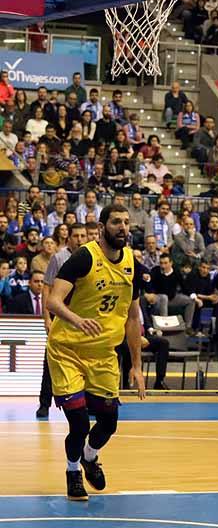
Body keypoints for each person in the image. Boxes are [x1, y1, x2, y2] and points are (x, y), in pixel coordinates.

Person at [44, 204, 146, 500]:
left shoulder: (132, 264)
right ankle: (73, 471)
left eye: (126, 223)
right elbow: (53, 301)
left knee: (109, 422)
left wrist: (136, 366)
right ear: (102, 227)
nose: (123, 227)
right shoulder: (84, 257)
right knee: (78, 422)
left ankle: (89, 456)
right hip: (68, 351)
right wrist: (77, 320)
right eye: (116, 222)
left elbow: (132, 317)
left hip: (103, 354)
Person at [37, 223, 88, 418]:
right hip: (61, 317)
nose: (80, 239)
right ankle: (44, 403)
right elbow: (47, 288)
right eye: (76, 236)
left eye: (83, 235)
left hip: (83, 318)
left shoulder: (92, 257)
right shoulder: (59, 257)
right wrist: (46, 317)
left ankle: (88, 401)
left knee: (86, 362)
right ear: (68, 239)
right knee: (49, 362)